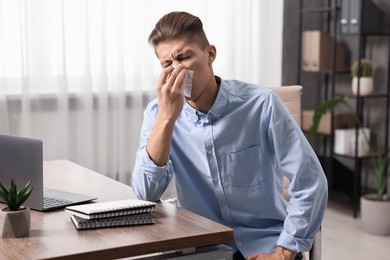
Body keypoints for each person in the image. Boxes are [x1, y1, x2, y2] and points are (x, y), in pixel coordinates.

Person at [131, 11, 328, 260]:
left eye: (185, 57)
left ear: (210, 54)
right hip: (202, 249)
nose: (177, 71)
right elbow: (145, 193)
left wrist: (283, 253)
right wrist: (167, 118)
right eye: (167, 64)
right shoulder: (157, 114)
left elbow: (311, 182)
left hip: (267, 244)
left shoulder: (262, 104)